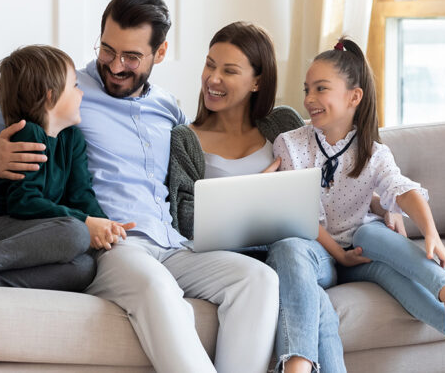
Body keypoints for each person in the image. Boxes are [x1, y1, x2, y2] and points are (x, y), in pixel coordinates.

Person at [0, 0, 278, 373]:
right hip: (114, 248)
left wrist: (259, 184)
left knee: (259, 280)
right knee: (157, 288)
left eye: (132, 57)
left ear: (161, 53)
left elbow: (197, 172)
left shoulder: (169, 108)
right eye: (107, 50)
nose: (116, 65)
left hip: (174, 245)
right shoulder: (64, 92)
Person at [167, 22, 407, 373]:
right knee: (313, 299)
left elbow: (334, 179)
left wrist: (381, 203)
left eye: (229, 70)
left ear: (257, 82)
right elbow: (184, 221)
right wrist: (253, 192)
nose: (213, 78)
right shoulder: (185, 138)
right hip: (236, 261)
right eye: (210, 64)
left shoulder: (283, 124)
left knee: (303, 281)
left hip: (295, 252)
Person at [270, 37, 445, 373]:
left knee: (374, 241)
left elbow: (400, 189)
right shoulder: (290, 145)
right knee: (291, 246)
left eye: (321, 89)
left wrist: (431, 233)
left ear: (353, 97)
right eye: (307, 89)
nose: (309, 99)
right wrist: (339, 254)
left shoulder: (372, 151)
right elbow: (300, 215)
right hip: (319, 252)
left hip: (360, 253)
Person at [0, 45, 135, 294]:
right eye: (74, 86)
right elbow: (24, 202)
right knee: (75, 232)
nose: (81, 94)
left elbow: (82, 195)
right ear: (50, 96)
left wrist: (106, 225)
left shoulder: (74, 140)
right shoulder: (27, 135)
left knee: (84, 268)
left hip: (36, 236)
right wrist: (85, 222)